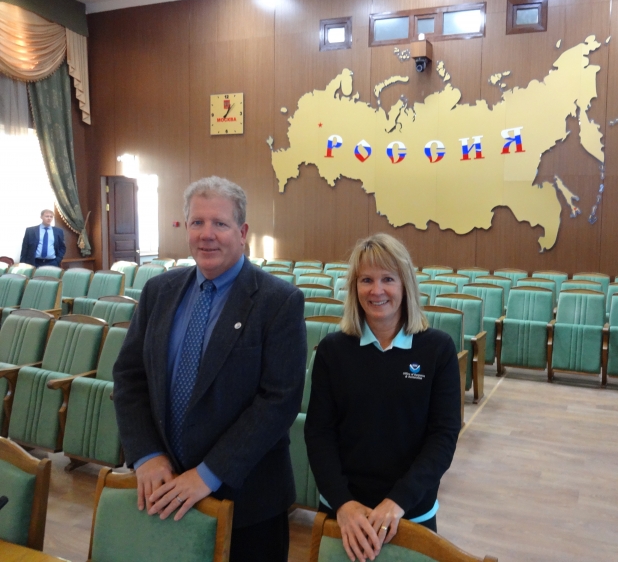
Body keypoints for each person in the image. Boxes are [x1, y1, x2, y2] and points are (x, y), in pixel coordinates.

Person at [113, 176, 306, 562]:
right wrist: (147, 454)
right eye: (197, 223)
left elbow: (278, 402)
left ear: (242, 231)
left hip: (248, 502)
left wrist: (207, 474)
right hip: (164, 490)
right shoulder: (158, 292)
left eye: (220, 223)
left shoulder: (278, 301)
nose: (207, 235)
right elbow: (130, 378)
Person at [305, 233, 461, 562]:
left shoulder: (438, 349)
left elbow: (443, 436)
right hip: (343, 513)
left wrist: (398, 502)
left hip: (410, 512)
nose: (377, 291)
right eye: (366, 280)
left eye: (388, 279)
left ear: (405, 285)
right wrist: (344, 504)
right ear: (354, 287)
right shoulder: (333, 350)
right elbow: (319, 433)